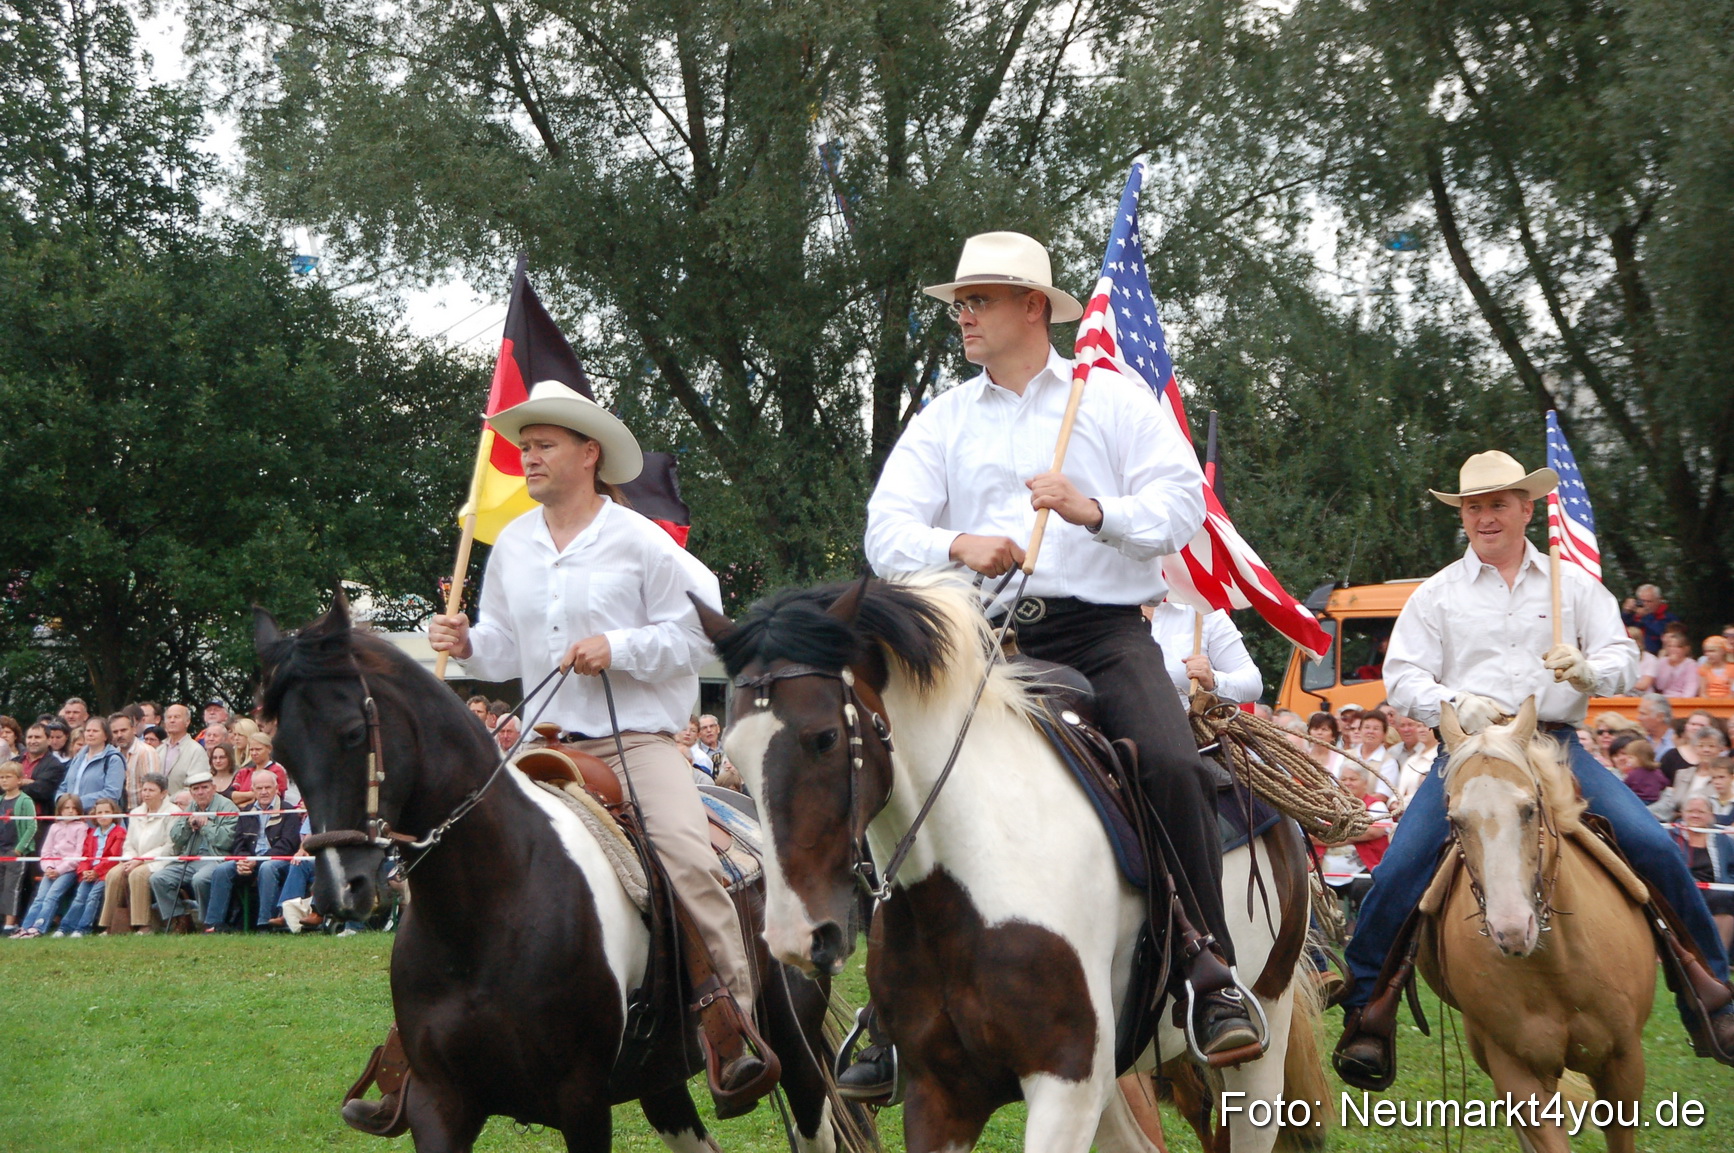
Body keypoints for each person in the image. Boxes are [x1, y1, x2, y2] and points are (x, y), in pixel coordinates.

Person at [862, 230, 1254, 1062]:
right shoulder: (943, 418)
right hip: (979, 640)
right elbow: (884, 531)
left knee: (1171, 762)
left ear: (1033, 307)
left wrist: (1093, 511)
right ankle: (890, 995)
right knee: (896, 775)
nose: (962, 315)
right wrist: (956, 544)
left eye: (980, 300)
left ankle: (1206, 964)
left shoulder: (1110, 400)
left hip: (1101, 632)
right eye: (960, 302)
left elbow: (1184, 504)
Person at [423, 376, 776, 1113]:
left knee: (684, 854)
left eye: (544, 445)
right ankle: (423, 1035)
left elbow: (701, 632)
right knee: (452, 850)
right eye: (525, 447)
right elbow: (502, 647)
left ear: (589, 454)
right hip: (538, 744)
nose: (529, 458)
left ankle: (733, 1021)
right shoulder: (514, 543)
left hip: (636, 742)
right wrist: (465, 640)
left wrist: (616, 646)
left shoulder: (641, 540)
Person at [1334, 450, 1734, 1085]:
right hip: (1468, 752)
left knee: (1653, 844)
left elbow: (1621, 657)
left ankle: (1709, 992)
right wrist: (1452, 702)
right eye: (1473, 507)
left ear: (1527, 508)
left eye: (1498, 504)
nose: (1485, 517)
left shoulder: (1572, 586)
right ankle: (1367, 1015)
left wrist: (1591, 670)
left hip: (1557, 746)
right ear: (1462, 516)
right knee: (1399, 871)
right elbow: (1402, 676)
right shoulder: (1436, 594)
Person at [199, 769, 297, 932]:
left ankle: (264, 923)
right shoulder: (246, 811)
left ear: (276, 788)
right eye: (259, 788)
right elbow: (238, 843)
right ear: (253, 790)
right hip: (249, 861)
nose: (264, 792)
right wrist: (243, 860)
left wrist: (257, 861)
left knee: (267, 868)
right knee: (222, 870)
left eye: (268, 787)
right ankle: (214, 924)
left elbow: (288, 845)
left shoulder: (288, 811)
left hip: (276, 861)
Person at [149, 768, 238, 931]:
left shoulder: (228, 807)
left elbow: (227, 841)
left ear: (213, 788)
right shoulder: (191, 806)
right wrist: (187, 825)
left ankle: (207, 922)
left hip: (216, 858)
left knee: (200, 879)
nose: (200, 792)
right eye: (195, 789)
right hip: (190, 858)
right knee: (158, 878)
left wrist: (206, 825)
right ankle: (180, 920)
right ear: (191, 792)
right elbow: (176, 837)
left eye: (204, 787)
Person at [1313, 763, 1389, 929]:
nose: (1347, 783)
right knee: (1309, 885)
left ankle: (1361, 931)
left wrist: (1332, 836)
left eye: (1353, 779)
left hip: (1361, 870)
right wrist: (1354, 836)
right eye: (1343, 779)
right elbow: (1312, 836)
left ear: (1365, 783)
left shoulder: (1376, 806)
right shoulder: (1326, 806)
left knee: (1365, 887)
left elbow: (1373, 832)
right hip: (1323, 868)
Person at [1144, 600, 1262, 706]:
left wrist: (1213, 680)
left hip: (1184, 727)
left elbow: (1253, 684)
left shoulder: (1204, 612)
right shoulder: (1125, 613)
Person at [101, 773, 176, 935]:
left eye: (151, 790)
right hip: (134, 859)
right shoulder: (135, 812)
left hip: (159, 861)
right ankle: (109, 926)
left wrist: (141, 861)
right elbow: (129, 843)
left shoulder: (173, 812)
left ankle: (143, 925)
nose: (146, 793)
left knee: (138, 875)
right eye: (144, 789)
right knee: (113, 874)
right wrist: (131, 859)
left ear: (163, 793)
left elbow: (169, 846)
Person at [15, 794, 89, 937]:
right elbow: (46, 851)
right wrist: (48, 867)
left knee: (52, 896)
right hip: (51, 869)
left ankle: (39, 927)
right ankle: (25, 927)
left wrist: (59, 870)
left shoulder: (82, 827)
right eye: (66, 808)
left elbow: (78, 855)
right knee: (40, 897)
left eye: (74, 808)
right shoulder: (54, 827)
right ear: (60, 810)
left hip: (68, 870)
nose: (70, 811)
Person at [57, 798, 126, 936]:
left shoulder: (119, 832)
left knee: (93, 897)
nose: (103, 815)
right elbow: (85, 855)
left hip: (105, 873)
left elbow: (113, 857)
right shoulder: (91, 833)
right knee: (80, 897)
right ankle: (64, 928)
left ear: (114, 813)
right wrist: (85, 872)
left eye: (107, 812)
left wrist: (96, 871)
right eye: (99, 812)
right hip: (89, 873)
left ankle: (83, 928)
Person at [1674, 796, 1734, 954]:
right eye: (1691, 811)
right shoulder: (1672, 835)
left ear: (1710, 815)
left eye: (1701, 811)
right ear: (1682, 813)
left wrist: (1729, 884)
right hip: (1682, 889)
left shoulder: (1722, 838)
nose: (1695, 815)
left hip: (1716, 891)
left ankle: (1718, 956)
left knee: (1724, 898)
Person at [57, 717, 126, 811]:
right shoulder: (78, 758)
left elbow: (112, 793)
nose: (90, 734)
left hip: (98, 820)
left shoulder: (113, 759)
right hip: (72, 818)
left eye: (95, 731)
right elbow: (64, 786)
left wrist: (78, 803)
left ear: (105, 736)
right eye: (88, 730)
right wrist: (61, 800)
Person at [0, 763, 37, 934]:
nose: (4, 780)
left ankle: (10, 922)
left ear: (19, 780)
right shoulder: (0, 800)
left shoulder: (25, 800)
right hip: (1, 849)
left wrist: (20, 849)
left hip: (15, 851)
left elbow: (32, 826)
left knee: (11, 887)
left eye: (8, 777)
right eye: (1, 777)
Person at [1390, 714, 1439, 814]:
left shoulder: (1439, 759)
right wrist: (1393, 802)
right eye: (1418, 726)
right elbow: (1399, 790)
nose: (1421, 730)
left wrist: (1403, 804)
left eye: (1425, 726)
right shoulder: (1411, 760)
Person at [157, 704, 209, 797]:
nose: (172, 720)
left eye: (177, 717)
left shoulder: (196, 750)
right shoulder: (159, 750)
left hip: (183, 806)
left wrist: (172, 801)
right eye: (169, 717)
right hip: (158, 807)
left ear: (187, 722)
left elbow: (197, 785)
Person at [110, 712, 159, 809]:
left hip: (142, 813)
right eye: (115, 732)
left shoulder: (146, 752)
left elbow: (153, 788)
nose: (119, 735)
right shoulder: (113, 755)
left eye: (123, 730)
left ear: (134, 730)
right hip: (119, 813)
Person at [17, 722, 67, 811]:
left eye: (37, 737)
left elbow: (41, 791)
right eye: (29, 737)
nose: (32, 741)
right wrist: (28, 782)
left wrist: (13, 785)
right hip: (11, 816)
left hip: (40, 819)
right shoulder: (14, 761)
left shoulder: (55, 765)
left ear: (49, 740)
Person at [1348, 710, 1398, 798]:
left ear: (1384, 734)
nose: (1370, 732)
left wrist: (1356, 806)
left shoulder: (1388, 762)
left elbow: (1383, 795)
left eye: (1376, 729)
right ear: (1360, 730)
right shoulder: (1346, 755)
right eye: (1367, 727)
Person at [1624, 583, 1680, 653]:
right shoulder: (1634, 615)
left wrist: (1646, 617)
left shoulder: (1668, 617)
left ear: (1658, 600)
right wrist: (1627, 612)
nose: (1645, 604)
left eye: (1649, 601)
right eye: (1642, 601)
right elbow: (1621, 628)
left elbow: (1661, 632)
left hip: (1657, 654)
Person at [236, 734, 290, 806]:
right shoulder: (244, 771)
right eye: (251, 750)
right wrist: (252, 795)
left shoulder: (277, 771)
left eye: (258, 749)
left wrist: (242, 803)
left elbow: (272, 798)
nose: (254, 753)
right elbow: (231, 795)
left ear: (269, 749)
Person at [1614, 739, 1670, 804]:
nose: (1628, 760)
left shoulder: (1633, 774)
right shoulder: (1657, 772)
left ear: (1641, 759)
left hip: (1638, 801)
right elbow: (1665, 783)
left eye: (1630, 757)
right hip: (1654, 801)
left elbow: (1624, 786)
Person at [1653, 631, 1704, 698]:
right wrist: (1670, 665)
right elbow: (1660, 686)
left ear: (1685, 649)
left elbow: (1690, 689)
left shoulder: (1691, 665)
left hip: (1682, 700)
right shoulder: (1662, 662)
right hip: (1664, 698)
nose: (1672, 649)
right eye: (1670, 646)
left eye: (1677, 647)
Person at [1637, 693, 1677, 758]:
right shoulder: (1639, 740)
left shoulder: (1677, 742)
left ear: (1660, 716)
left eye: (1643, 714)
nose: (1638, 718)